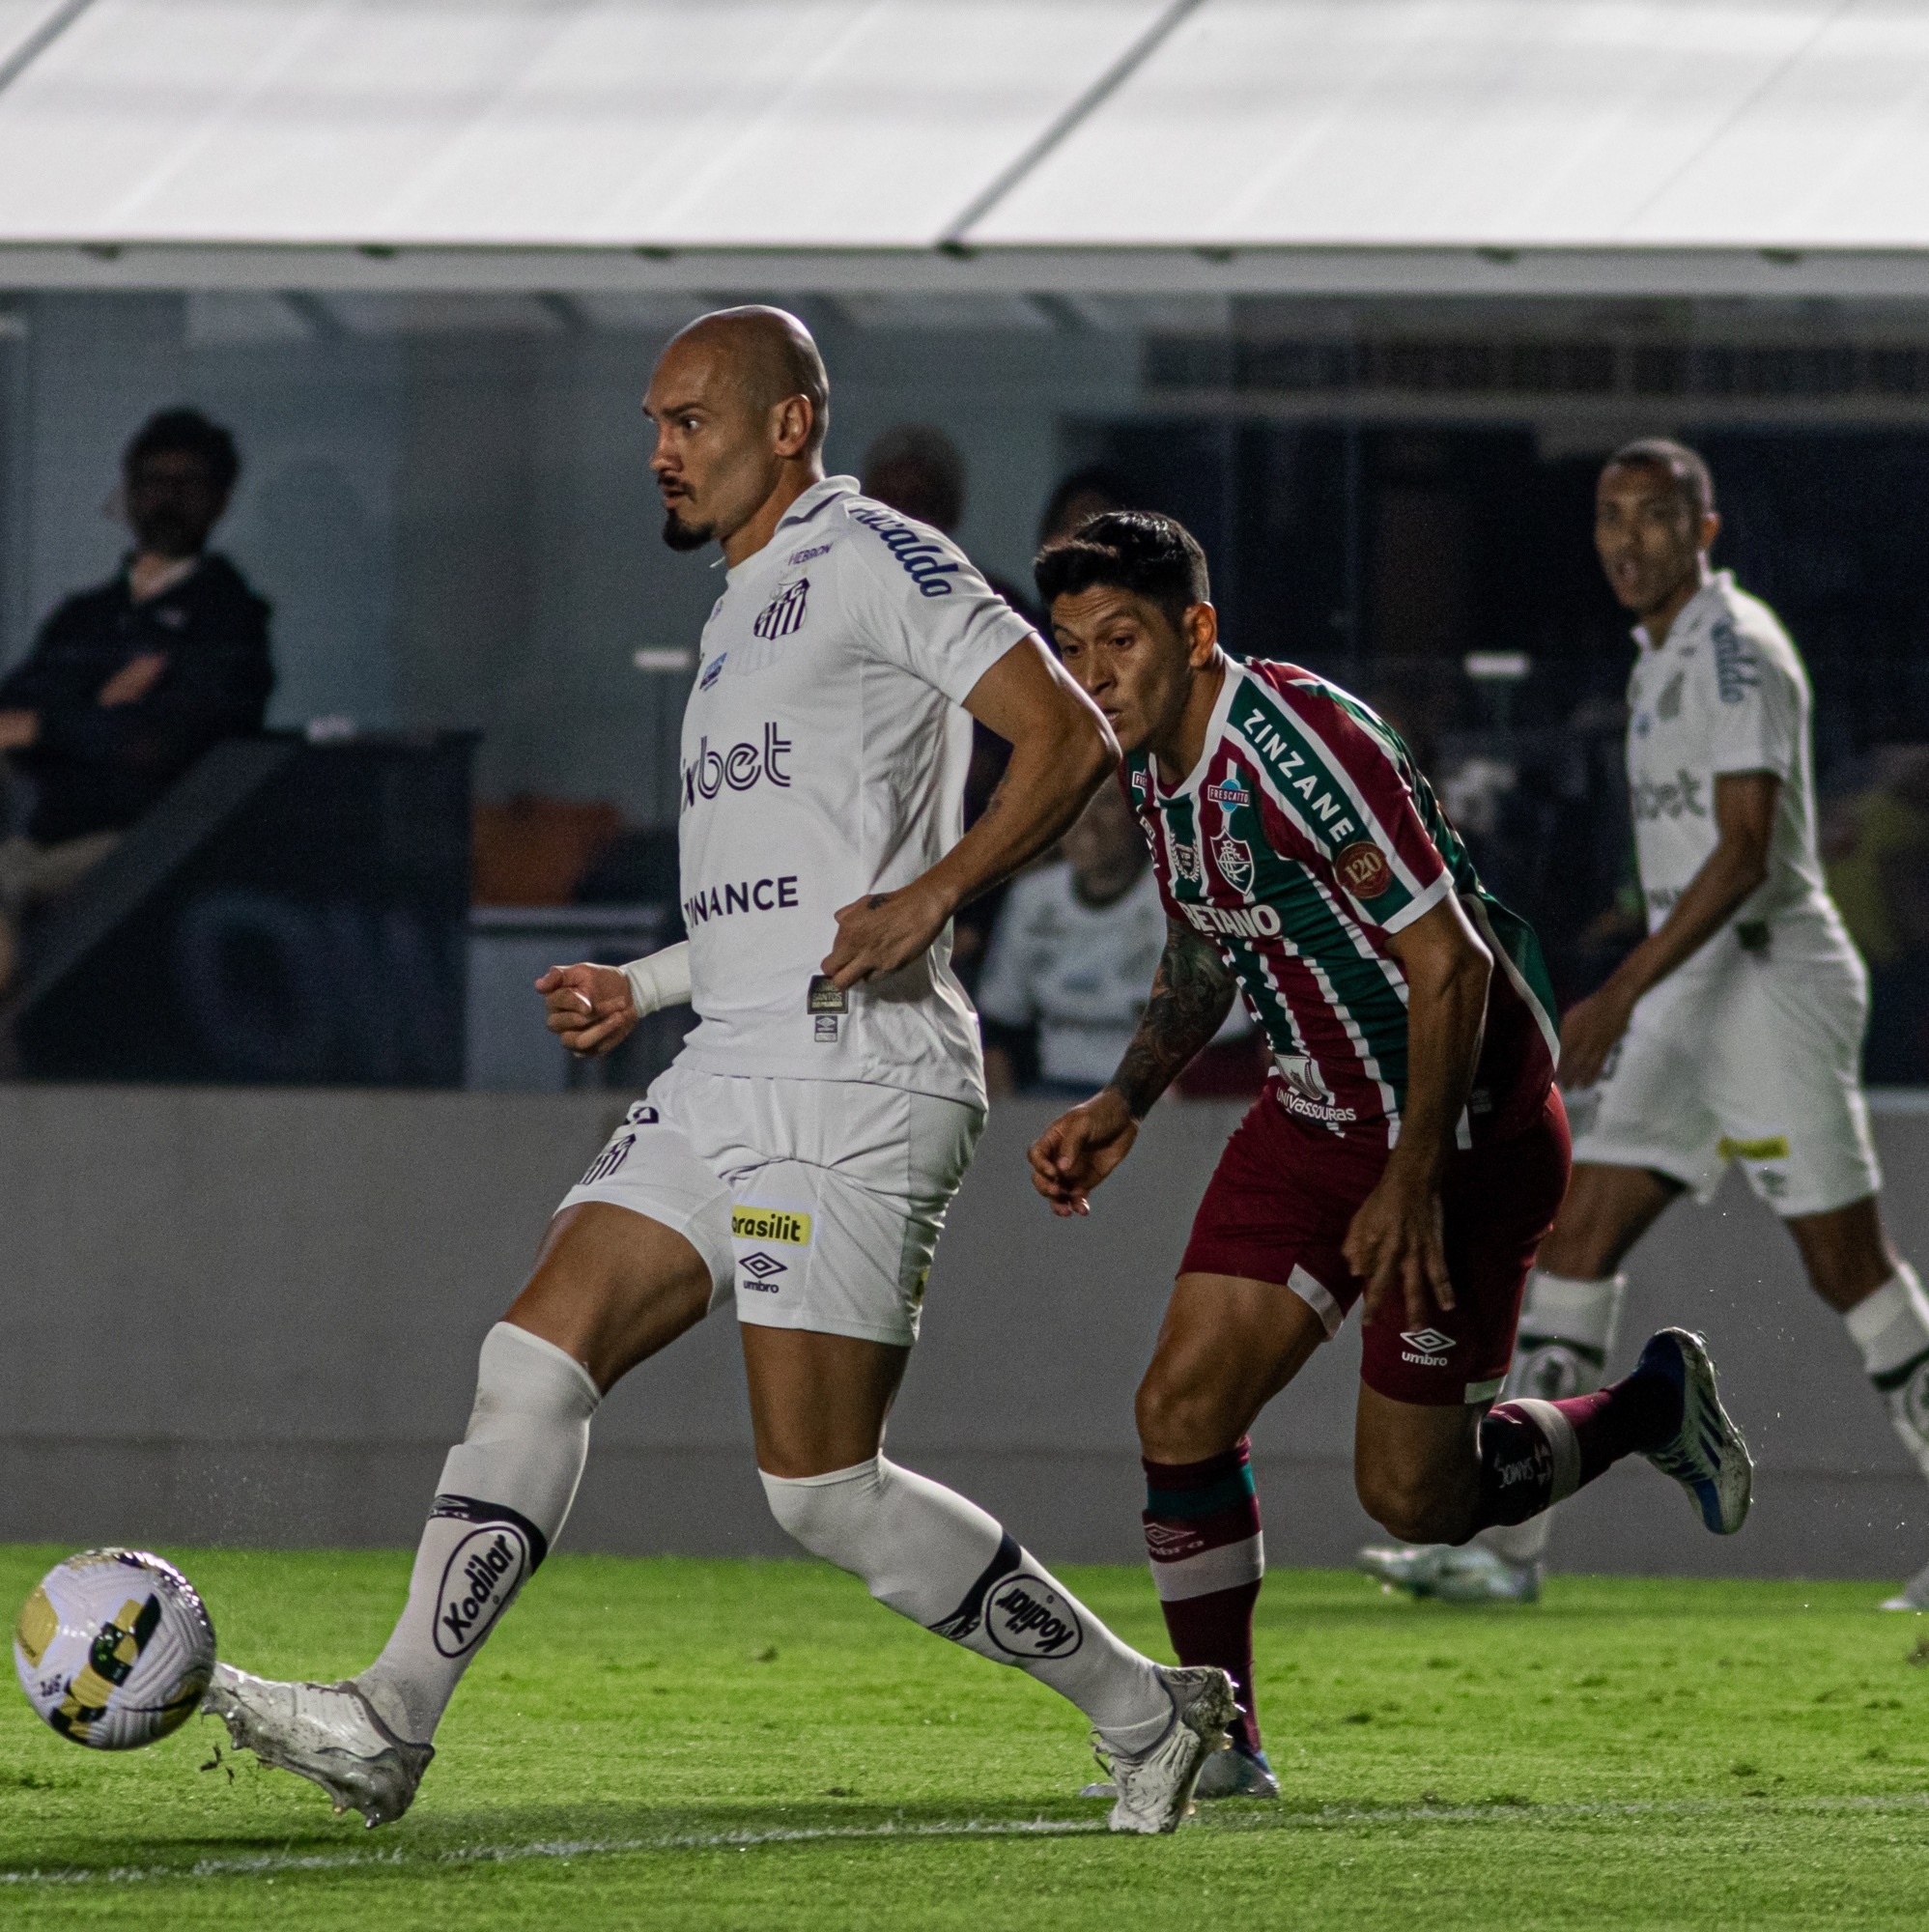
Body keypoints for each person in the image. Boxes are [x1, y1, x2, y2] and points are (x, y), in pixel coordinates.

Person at [203, 308, 1234, 1835]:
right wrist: (648, 979)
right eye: (654, 423)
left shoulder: (877, 555)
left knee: (821, 1492)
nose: (660, 451)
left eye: (687, 420)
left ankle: (1150, 1710)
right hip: (730, 1053)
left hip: (857, 1076)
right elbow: (783, 899)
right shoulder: (741, 602)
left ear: (788, 425)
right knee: (531, 1358)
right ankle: (388, 1721)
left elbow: (1068, 734)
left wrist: (934, 894)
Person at [1026, 511, 1752, 1800]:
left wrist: (1412, 1178)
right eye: (1074, 646)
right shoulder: (1143, 758)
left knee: (1417, 1500)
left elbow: (1450, 961)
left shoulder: (1303, 744)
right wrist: (1128, 1097)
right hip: (1312, 1122)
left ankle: (1647, 1406)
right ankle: (1226, 1747)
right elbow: (1209, 941)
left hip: (1462, 1138)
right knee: (1180, 1410)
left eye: (1120, 639)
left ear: (1196, 633)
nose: (1096, 671)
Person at [1361, 440, 1929, 1612]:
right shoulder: (1654, 658)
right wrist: (1635, 941)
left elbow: (1744, 848)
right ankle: (1504, 1548)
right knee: (1573, 1247)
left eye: (1655, 516)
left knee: (1845, 1266)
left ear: (1703, 530)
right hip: (1689, 988)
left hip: (1765, 985)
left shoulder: (1732, 649)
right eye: (1608, 517)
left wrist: (1617, 986)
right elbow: (1688, 854)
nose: (1627, 540)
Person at [0, 408, 271, 995]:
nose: (166, 501)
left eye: (186, 485)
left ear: (220, 500)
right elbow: (11, 718)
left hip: (150, 849)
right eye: (150, 484)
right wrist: (94, 714)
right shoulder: (85, 617)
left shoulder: (228, 620)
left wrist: (53, 727)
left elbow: (167, 741)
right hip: (43, 835)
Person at [978, 781, 1168, 1098]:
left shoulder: (1176, 902)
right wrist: (1006, 1120)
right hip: (1048, 1092)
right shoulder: (1033, 896)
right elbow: (999, 1023)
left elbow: (1217, 1040)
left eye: (1105, 804)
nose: (1085, 820)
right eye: (1074, 801)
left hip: (1150, 1096)